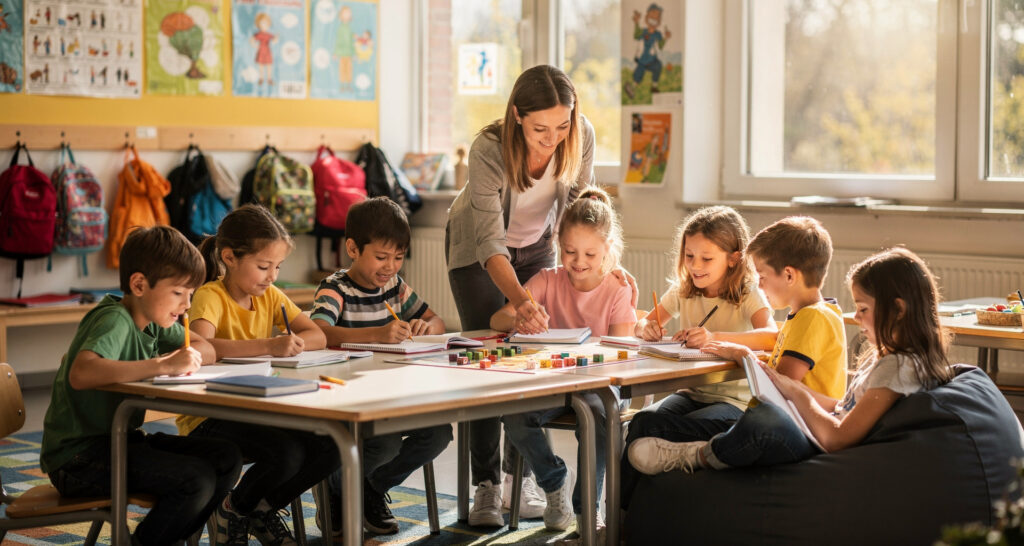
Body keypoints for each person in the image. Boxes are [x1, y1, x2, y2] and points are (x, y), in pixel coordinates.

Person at [446, 63, 635, 526]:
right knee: (489, 363)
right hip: (478, 252)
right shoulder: (488, 148)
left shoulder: (580, 134)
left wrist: (601, 261)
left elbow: (581, 213)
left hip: (536, 247)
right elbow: (491, 242)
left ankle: (521, 479)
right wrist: (522, 302)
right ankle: (487, 487)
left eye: (562, 125)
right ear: (516, 116)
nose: (553, 139)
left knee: (528, 364)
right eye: (539, 129)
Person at [628, 247, 954, 473]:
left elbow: (838, 437)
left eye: (864, 309)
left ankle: (697, 455)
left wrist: (793, 392)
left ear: (898, 309)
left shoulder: (898, 366)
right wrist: (776, 380)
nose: (857, 317)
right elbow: (841, 406)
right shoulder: (895, 359)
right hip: (818, 429)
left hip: (823, 446)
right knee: (763, 413)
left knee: (764, 423)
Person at [40, 226, 242, 546]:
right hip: (77, 459)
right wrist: (162, 365)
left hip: (122, 441)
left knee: (227, 457)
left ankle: (167, 538)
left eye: (190, 295)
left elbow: (208, 349)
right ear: (139, 284)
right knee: (196, 479)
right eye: (178, 293)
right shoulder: (114, 319)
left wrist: (185, 356)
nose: (187, 305)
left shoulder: (153, 321)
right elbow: (81, 373)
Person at [180, 204, 337, 545]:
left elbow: (318, 336)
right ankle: (235, 508)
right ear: (230, 258)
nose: (272, 276)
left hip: (257, 408)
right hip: (209, 413)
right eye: (263, 266)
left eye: (277, 267)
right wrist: (268, 345)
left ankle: (254, 509)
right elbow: (201, 345)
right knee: (288, 453)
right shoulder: (210, 296)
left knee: (332, 445)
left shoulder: (270, 297)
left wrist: (291, 343)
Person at [491, 187, 634, 537]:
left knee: (600, 419)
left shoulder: (617, 289)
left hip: (600, 387)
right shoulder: (546, 280)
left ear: (608, 249)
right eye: (569, 251)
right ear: (557, 242)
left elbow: (623, 353)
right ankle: (554, 481)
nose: (579, 261)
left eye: (590, 253)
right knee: (512, 409)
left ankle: (588, 512)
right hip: (553, 384)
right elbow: (498, 320)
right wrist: (519, 317)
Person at [312, 197, 452, 536]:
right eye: (381, 257)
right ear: (353, 249)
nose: (390, 266)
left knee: (438, 432)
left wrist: (424, 327)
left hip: (390, 393)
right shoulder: (336, 288)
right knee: (386, 443)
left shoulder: (396, 288)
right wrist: (376, 333)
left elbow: (437, 321)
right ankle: (336, 489)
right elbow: (318, 332)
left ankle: (369, 488)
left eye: (399, 257)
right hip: (345, 397)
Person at [621, 206, 776, 503]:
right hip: (693, 393)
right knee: (641, 421)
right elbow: (643, 322)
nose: (695, 266)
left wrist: (714, 337)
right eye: (689, 256)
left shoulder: (747, 294)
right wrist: (646, 328)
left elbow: (771, 337)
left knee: (651, 425)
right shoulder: (684, 291)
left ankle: (633, 516)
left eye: (707, 258)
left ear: (733, 259)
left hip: (736, 401)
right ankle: (622, 517)